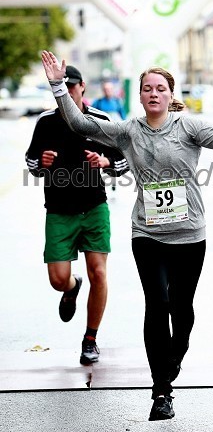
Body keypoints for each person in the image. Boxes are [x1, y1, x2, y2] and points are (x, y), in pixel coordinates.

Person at [41, 50, 213, 421]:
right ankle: (161, 392)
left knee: (182, 311)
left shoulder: (188, 127)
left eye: (160, 88)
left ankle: (177, 352)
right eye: (147, 89)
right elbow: (80, 125)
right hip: (148, 234)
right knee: (156, 306)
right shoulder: (128, 131)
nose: (153, 93)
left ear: (169, 94)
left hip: (190, 234)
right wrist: (59, 86)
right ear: (140, 96)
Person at [25, 64, 129, 366]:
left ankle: (90, 339)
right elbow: (31, 163)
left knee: (99, 272)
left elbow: (122, 165)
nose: (68, 91)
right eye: (62, 86)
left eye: (72, 86)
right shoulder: (45, 122)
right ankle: (72, 288)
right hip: (58, 210)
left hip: (94, 206)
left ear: (83, 86)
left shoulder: (99, 120)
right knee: (58, 279)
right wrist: (41, 163)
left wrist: (104, 162)